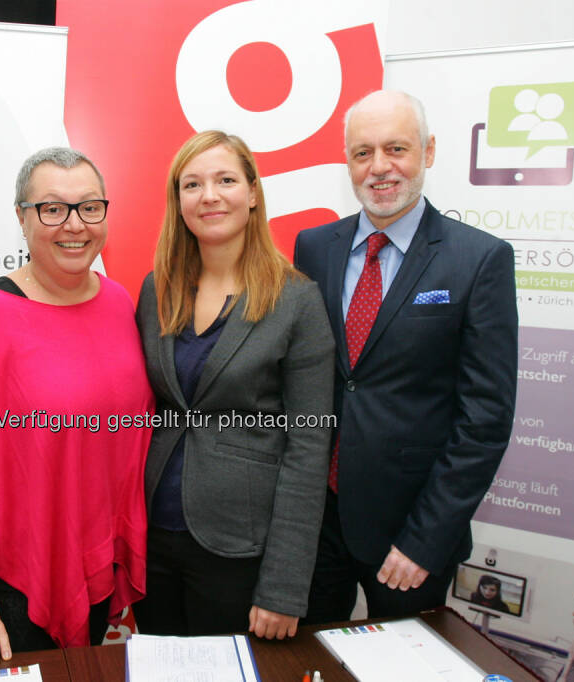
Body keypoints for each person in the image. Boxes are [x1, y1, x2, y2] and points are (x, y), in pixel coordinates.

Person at [0, 147, 152, 664]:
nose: (74, 224)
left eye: (89, 207)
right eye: (52, 208)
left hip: (93, 564)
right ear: (21, 218)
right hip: (11, 580)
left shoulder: (118, 303)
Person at [294, 90, 518, 621]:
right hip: (317, 524)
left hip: (410, 538)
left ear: (429, 152)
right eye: (362, 153)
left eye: (396, 148)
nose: (379, 168)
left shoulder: (479, 260)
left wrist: (425, 540)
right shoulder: (313, 248)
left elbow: (484, 421)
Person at [133, 130, 334, 639]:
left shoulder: (296, 300)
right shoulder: (157, 289)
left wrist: (283, 589)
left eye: (225, 180)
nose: (209, 195)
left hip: (239, 546)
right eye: (192, 184)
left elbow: (309, 447)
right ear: (178, 202)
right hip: (154, 535)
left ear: (252, 193)